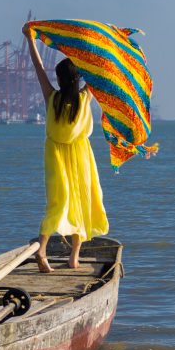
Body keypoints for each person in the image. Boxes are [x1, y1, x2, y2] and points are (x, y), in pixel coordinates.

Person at [24, 22, 109, 273]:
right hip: (81, 154)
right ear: (79, 78)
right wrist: (99, 47)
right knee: (82, 201)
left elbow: (38, 67)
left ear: (59, 79)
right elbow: (98, 69)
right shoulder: (85, 97)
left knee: (57, 203)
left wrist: (30, 39)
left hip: (54, 155)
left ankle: (41, 250)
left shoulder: (52, 97)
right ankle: (74, 257)